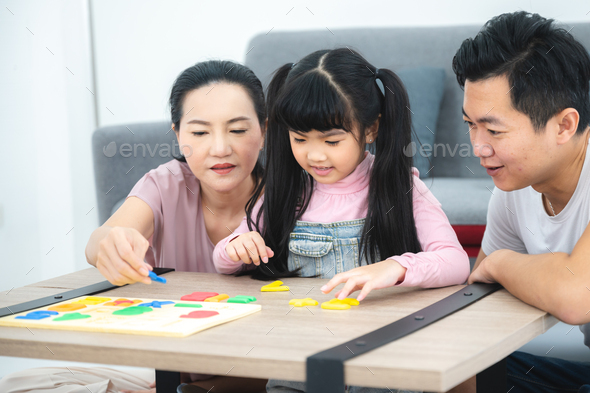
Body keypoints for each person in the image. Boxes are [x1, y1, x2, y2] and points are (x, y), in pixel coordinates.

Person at [0, 60, 268, 393]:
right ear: (178, 135)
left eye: (238, 130)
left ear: (263, 131)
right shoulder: (165, 183)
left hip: (262, 381)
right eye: (199, 132)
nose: (220, 148)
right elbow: (100, 241)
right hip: (173, 378)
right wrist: (112, 244)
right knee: (20, 382)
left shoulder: (290, 197)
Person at [213, 48, 470, 392]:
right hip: (300, 365)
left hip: (385, 367)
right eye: (299, 139)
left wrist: (395, 267)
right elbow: (223, 262)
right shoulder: (286, 192)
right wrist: (234, 248)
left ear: (370, 129)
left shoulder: (400, 186)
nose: (315, 154)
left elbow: (455, 262)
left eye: (332, 141)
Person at [450, 11, 590, 393]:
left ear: (564, 125)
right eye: (470, 125)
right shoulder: (514, 190)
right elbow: (479, 296)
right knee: (460, 369)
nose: (478, 147)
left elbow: (575, 296)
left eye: (494, 129)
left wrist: (500, 262)